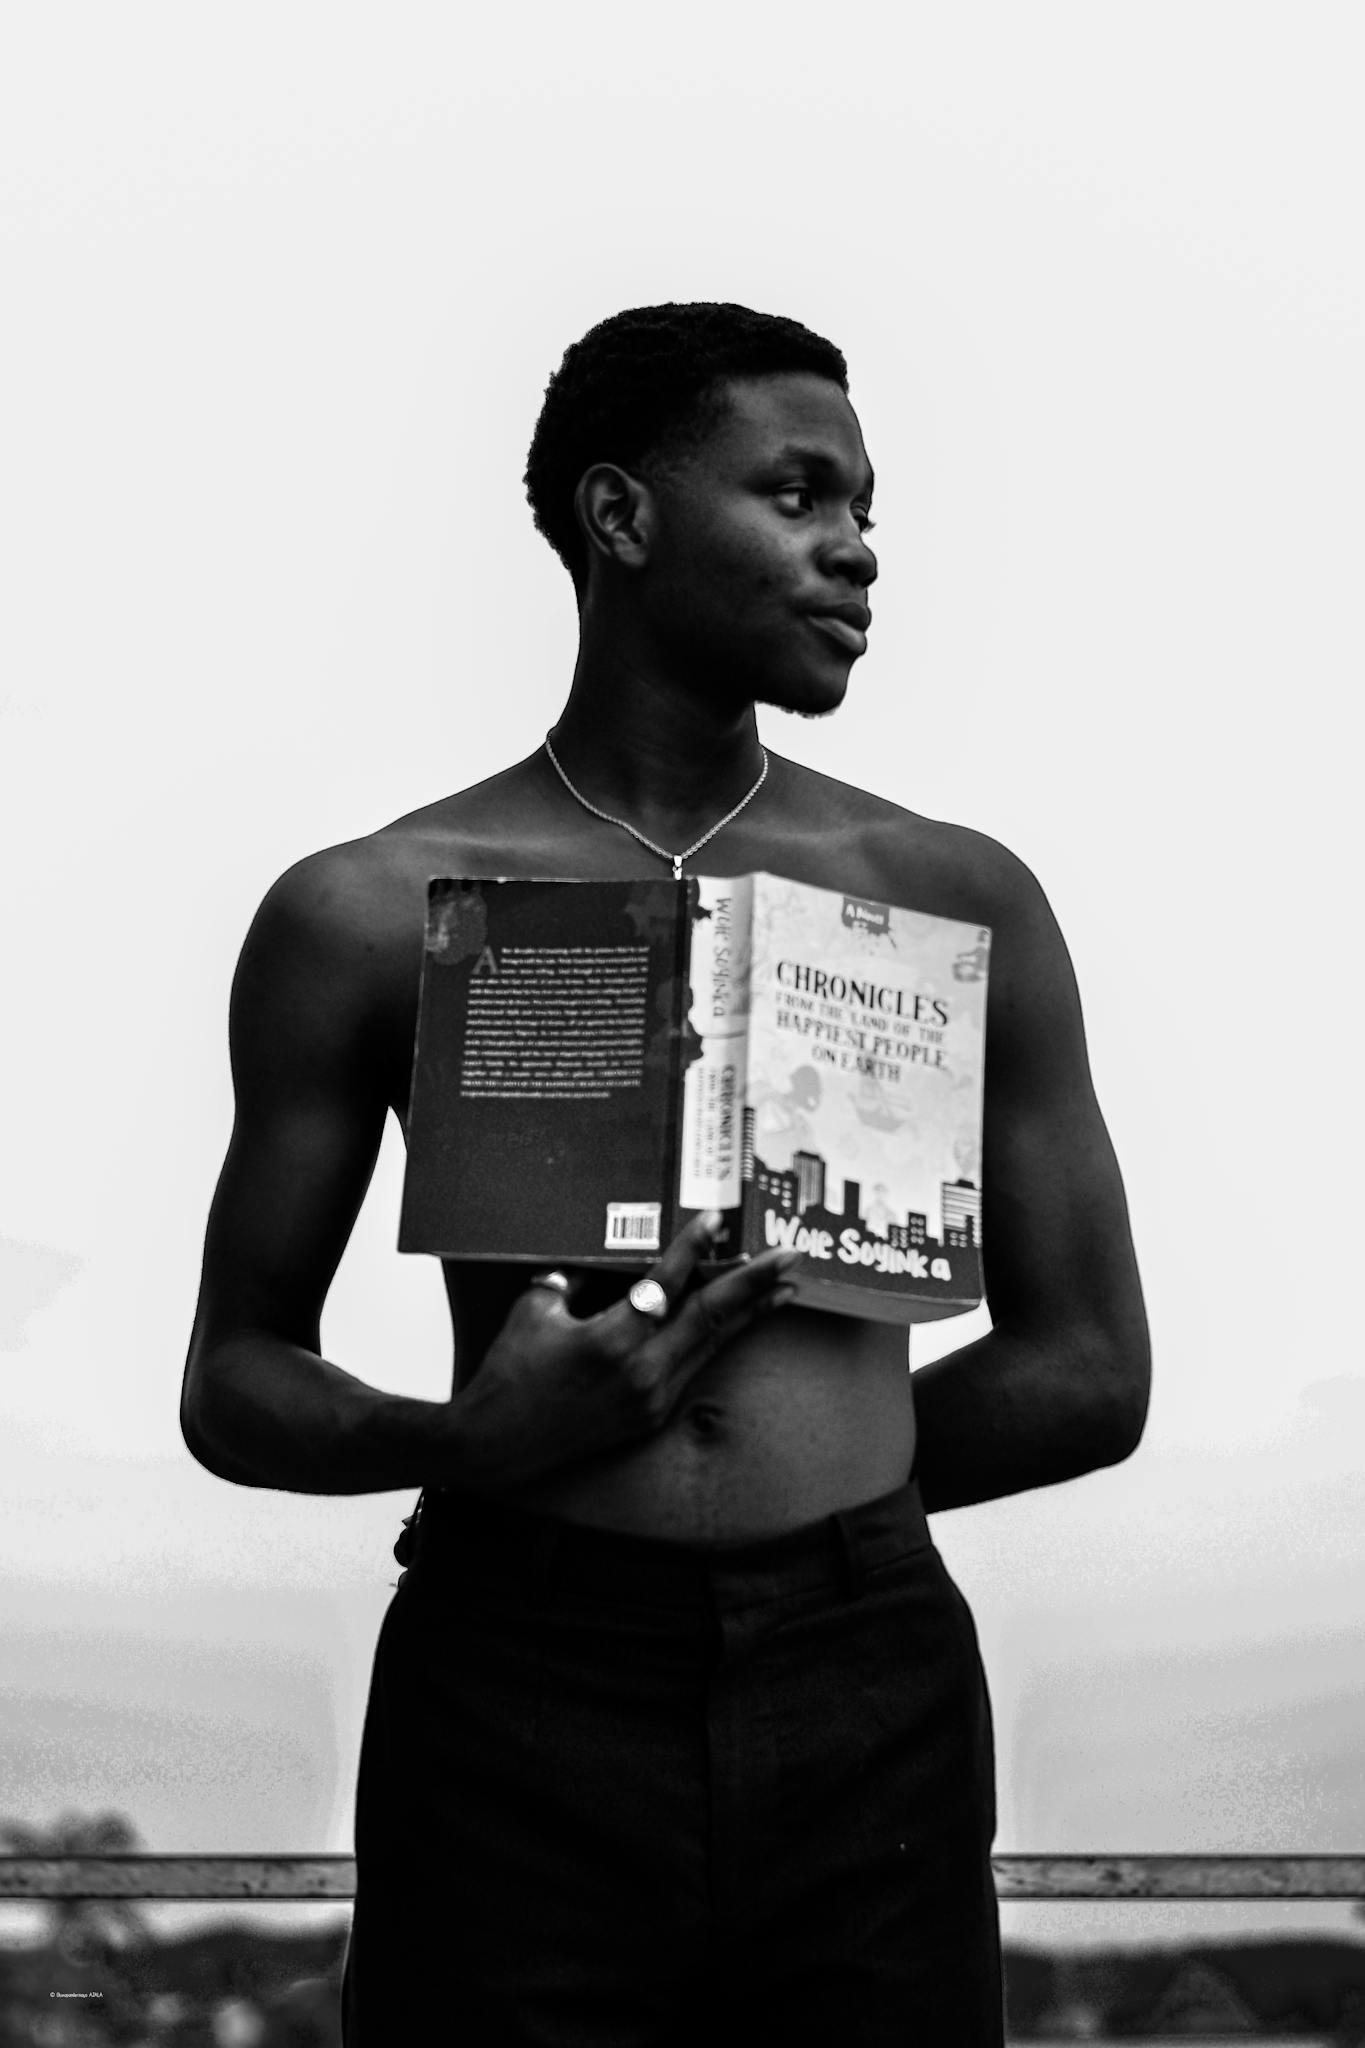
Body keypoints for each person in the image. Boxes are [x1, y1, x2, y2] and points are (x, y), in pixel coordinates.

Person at [181, 301, 1151, 2044]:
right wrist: (468, 1448)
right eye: (796, 493)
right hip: (515, 1678)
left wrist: (813, 1514)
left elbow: (1089, 1371)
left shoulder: (949, 897)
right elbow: (234, 1376)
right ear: (620, 516)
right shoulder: (368, 910)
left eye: (864, 508)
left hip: (865, 1685)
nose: (855, 548)